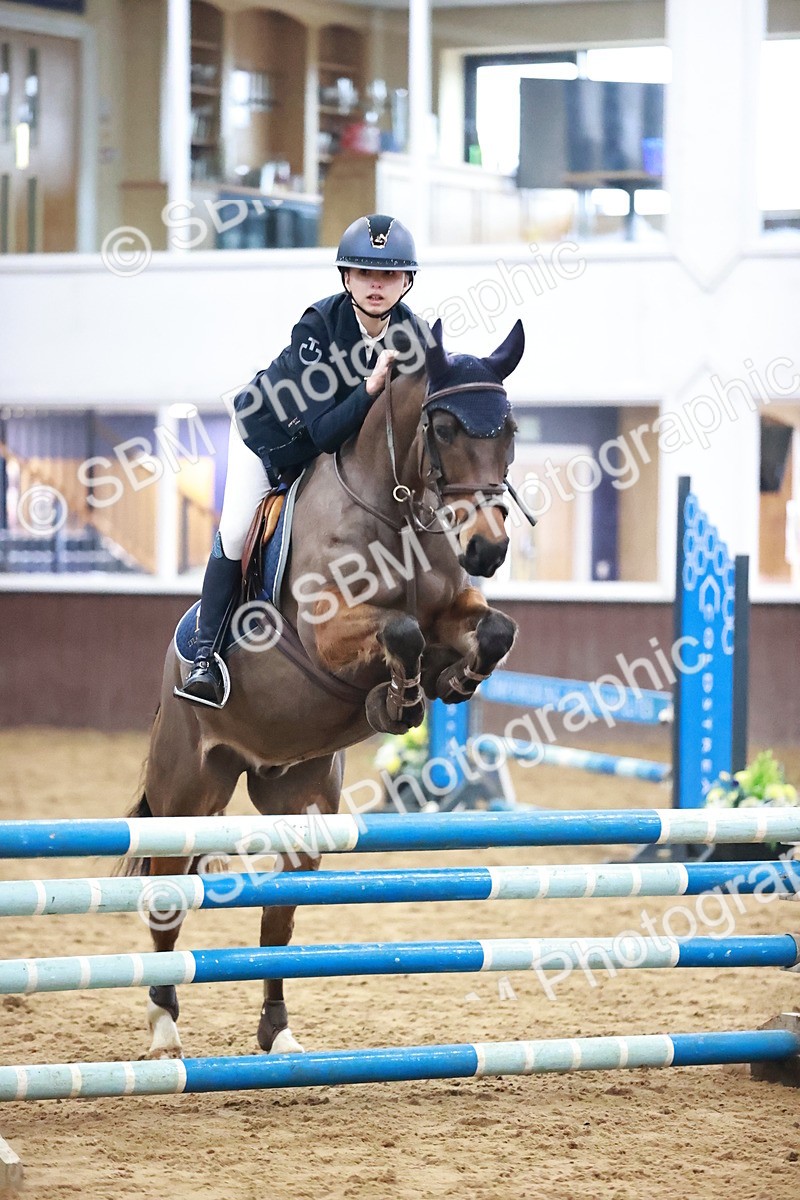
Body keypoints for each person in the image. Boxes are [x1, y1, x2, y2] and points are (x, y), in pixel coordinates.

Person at [176, 213, 427, 708]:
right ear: (346, 278)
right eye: (365, 273)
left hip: (335, 454)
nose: (377, 286)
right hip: (270, 439)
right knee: (234, 530)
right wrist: (371, 385)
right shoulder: (317, 326)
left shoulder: (414, 333)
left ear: (405, 281)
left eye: (389, 275)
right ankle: (205, 656)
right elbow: (323, 431)